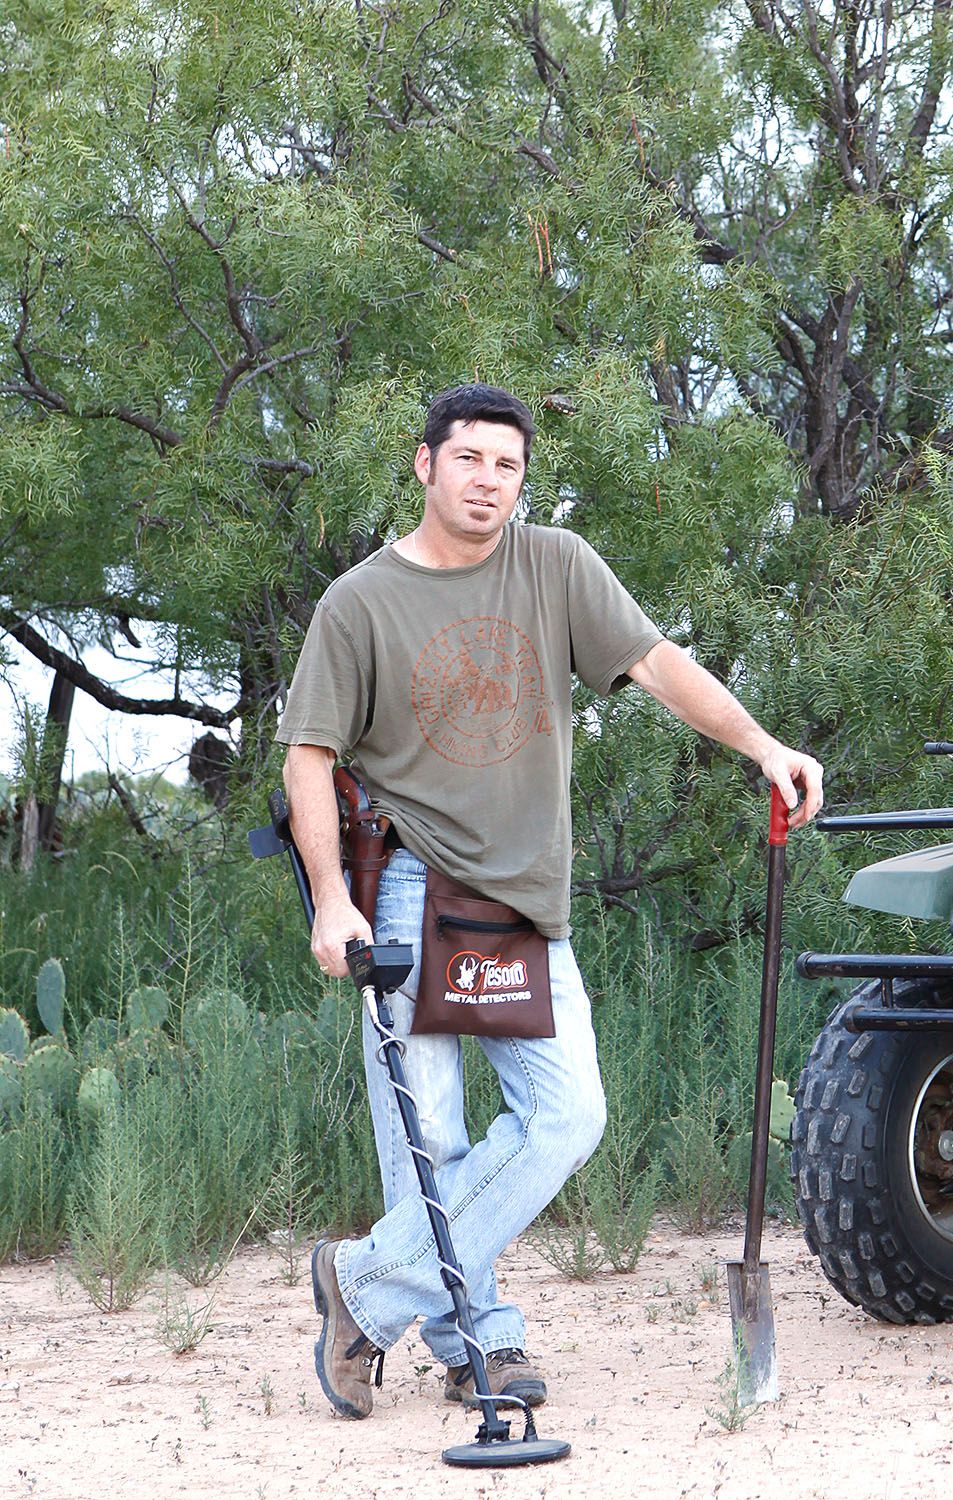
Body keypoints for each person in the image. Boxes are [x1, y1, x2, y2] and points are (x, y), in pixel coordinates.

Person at [277, 383, 822, 1419]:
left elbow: (659, 668)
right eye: (471, 459)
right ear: (424, 463)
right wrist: (329, 904)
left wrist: (761, 745)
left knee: (568, 1115)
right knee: (426, 1137)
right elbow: (309, 755)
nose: (489, 481)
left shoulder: (555, 565)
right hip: (404, 890)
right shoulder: (359, 602)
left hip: (524, 900)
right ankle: (478, 1339)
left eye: (508, 466)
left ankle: (360, 1286)